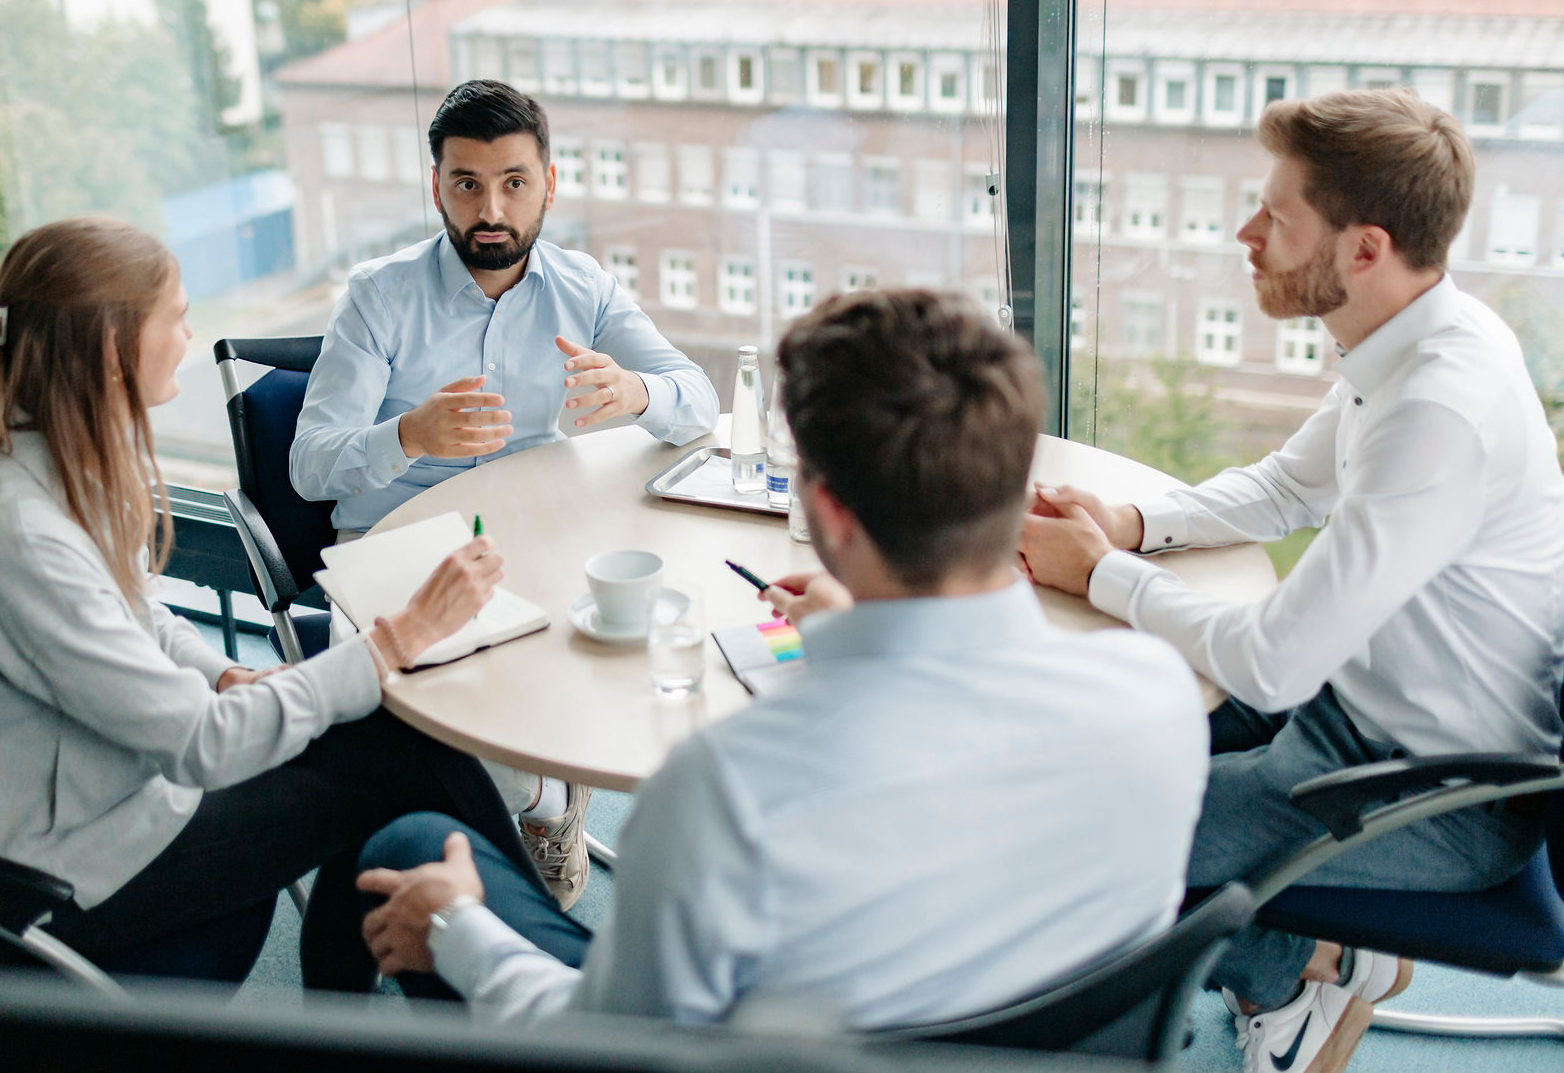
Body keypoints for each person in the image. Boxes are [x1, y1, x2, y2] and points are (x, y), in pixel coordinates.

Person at [350, 290, 1209, 1027]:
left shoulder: (724, 794)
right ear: (1018, 479)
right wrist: (846, 624)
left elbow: (609, 1049)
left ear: (826, 512)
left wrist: (459, 930)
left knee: (413, 848)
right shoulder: (1160, 697)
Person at [1020, 89, 1564, 1073]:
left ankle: (1291, 989)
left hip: (1428, 792)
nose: (1246, 232)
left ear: (1362, 248)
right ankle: (1331, 953)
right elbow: (1285, 486)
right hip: (1350, 716)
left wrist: (1101, 574)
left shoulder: (1436, 410)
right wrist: (1132, 528)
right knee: (1089, 741)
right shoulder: (1409, 341)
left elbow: (1270, 664)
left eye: (1274, 217)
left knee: (1090, 836)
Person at [0, 216, 539, 991]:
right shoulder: (20, 532)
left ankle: (447, 993)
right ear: (112, 349)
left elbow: (139, 616)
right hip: (53, 878)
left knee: (398, 748)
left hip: (95, 799)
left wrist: (227, 674)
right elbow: (203, 747)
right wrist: (395, 640)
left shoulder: (47, 458)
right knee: (398, 763)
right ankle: (525, 984)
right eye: (177, 316)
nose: (192, 332)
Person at [289, 79, 719, 907]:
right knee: (456, 725)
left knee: (628, 652)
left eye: (514, 182)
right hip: (391, 551)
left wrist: (635, 391)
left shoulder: (581, 284)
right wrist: (410, 435)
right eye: (467, 183)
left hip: (534, 537)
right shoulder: (379, 297)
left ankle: (524, 800)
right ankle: (547, 802)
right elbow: (311, 465)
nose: (491, 208)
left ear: (549, 184)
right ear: (439, 186)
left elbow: (695, 397)